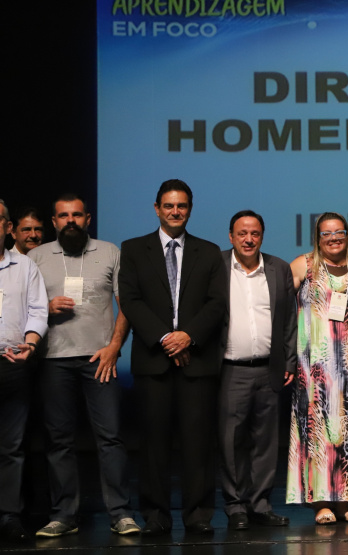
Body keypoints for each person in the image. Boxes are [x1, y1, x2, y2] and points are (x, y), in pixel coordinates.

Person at [118, 179, 227, 536]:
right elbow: (131, 300)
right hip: (154, 362)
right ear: (156, 208)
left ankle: (198, 516)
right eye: (169, 206)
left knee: (198, 445)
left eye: (181, 206)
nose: (175, 212)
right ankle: (156, 515)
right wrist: (165, 338)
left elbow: (217, 303)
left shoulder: (209, 251)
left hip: (197, 362)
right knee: (153, 445)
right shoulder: (133, 249)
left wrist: (188, 337)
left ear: (190, 210)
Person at [28, 194, 138, 537]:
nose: (70, 220)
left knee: (110, 437)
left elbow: (127, 305)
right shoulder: (36, 257)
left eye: (77, 214)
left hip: (99, 359)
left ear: (88, 218)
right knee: (59, 440)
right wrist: (46, 309)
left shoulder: (109, 252)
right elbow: (23, 310)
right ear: (54, 220)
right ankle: (64, 515)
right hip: (52, 359)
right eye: (63, 215)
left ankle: (120, 513)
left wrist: (114, 348)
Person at [287, 212, 348, 524]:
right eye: (327, 233)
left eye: (339, 232)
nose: (334, 237)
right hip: (314, 365)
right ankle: (321, 502)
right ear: (317, 237)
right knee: (318, 433)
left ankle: (347, 500)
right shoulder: (304, 265)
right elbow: (280, 304)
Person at [219, 210, 296, 531]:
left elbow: (290, 320)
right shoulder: (217, 266)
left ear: (262, 236)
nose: (248, 239)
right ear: (231, 236)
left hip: (269, 369)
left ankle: (260, 505)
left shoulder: (278, 268)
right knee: (231, 440)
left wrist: (289, 360)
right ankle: (236, 506)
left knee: (266, 441)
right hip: (230, 369)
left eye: (255, 233)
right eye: (242, 233)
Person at [0, 199, 48, 543]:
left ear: (6, 226)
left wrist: (30, 344)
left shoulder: (25, 266)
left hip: (13, 364)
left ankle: (9, 516)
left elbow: (37, 310)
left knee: (11, 446)